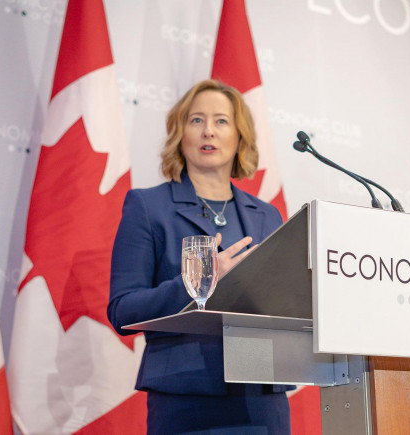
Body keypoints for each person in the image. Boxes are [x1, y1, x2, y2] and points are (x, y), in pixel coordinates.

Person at [108, 79, 292, 434]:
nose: (209, 130)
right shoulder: (148, 207)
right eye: (196, 120)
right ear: (181, 134)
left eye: (222, 121)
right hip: (185, 398)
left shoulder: (267, 216)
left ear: (240, 136)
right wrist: (198, 282)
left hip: (261, 399)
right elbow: (123, 310)